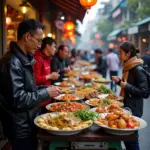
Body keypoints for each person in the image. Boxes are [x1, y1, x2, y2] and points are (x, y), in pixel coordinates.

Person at [0, 19, 60, 150]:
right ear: (27, 36)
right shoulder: (12, 62)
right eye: (38, 40)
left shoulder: (24, 59)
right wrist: (46, 93)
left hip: (28, 122)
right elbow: (18, 98)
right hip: (20, 127)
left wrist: (46, 88)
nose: (39, 45)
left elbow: (28, 89)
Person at [112, 41, 148, 150]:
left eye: (120, 52)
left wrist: (124, 85)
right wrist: (119, 82)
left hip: (134, 108)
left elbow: (144, 91)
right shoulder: (127, 67)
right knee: (127, 138)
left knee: (131, 139)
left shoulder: (137, 69)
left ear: (128, 54)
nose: (119, 55)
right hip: (127, 106)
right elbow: (127, 86)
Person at [33, 37, 60, 112]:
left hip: (47, 97)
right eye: (54, 46)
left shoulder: (48, 58)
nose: (55, 49)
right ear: (48, 46)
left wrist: (52, 75)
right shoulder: (38, 58)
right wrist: (50, 76)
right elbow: (34, 79)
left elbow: (45, 75)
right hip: (40, 100)